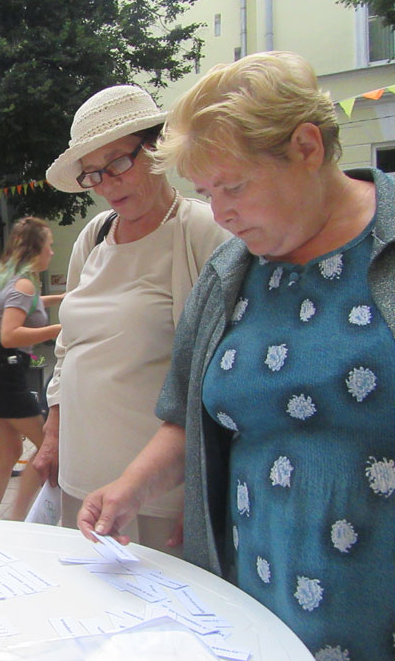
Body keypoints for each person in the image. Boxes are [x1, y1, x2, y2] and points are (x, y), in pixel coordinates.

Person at [78, 51, 395, 659]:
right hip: (257, 607)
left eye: (234, 186)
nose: (220, 213)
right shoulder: (231, 272)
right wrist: (129, 489)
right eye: (206, 192)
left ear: (306, 147)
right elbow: (186, 416)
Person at [30, 85, 229, 547]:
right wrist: (53, 431)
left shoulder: (202, 232)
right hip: (79, 475)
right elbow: (68, 345)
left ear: (157, 147)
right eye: (92, 173)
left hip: (156, 493)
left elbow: (224, 371)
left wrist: (204, 486)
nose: (106, 184)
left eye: (117, 162)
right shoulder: (95, 235)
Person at [0, 217, 62, 519]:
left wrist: (62, 298)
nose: (52, 252)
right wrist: (61, 328)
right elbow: (9, 335)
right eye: (49, 245)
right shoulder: (23, 284)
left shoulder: (11, 280)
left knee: (10, 451)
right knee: (50, 447)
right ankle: (18, 518)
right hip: (5, 375)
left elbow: (27, 303)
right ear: (36, 249)